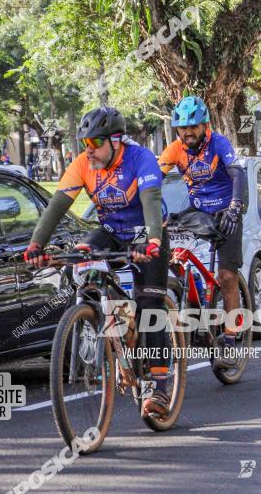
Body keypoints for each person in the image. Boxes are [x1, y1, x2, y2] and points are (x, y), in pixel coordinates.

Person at [24, 106, 172, 419]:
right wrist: (37, 244)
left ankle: (159, 383)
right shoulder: (83, 164)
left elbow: (151, 202)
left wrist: (153, 240)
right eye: (83, 144)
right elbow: (56, 206)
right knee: (78, 261)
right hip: (111, 232)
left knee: (149, 304)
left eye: (94, 144)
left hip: (147, 234)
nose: (87, 151)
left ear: (115, 141)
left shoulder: (140, 159)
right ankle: (107, 332)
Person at [158, 96, 245, 368]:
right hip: (198, 211)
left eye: (193, 126)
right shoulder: (174, 150)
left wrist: (235, 207)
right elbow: (151, 182)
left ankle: (231, 336)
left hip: (225, 211)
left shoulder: (219, 143)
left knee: (227, 276)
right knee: (173, 257)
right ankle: (188, 311)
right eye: (182, 128)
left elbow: (238, 176)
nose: (188, 132)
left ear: (205, 125)